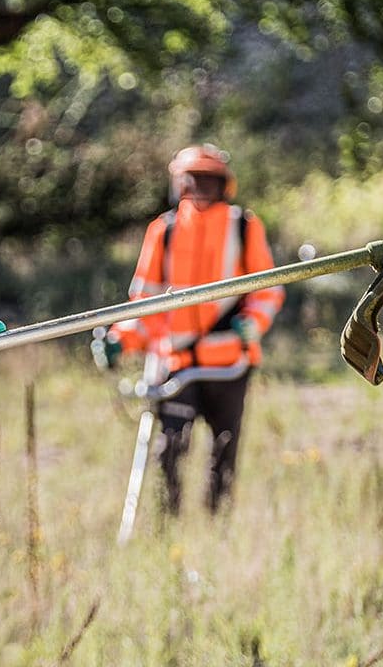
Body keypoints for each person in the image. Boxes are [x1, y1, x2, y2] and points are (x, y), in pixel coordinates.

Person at [92, 144, 284, 514]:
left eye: (209, 181)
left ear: (225, 184)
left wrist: (253, 323)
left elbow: (268, 291)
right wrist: (121, 340)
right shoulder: (162, 231)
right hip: (176, 365)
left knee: (224, 453)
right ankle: (167, 529)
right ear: (178, 184)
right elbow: (145, 304)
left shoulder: (244, 226)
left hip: (230, 364)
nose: (200, 189)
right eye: (192, 180)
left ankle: (218, 530)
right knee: (169, 451)